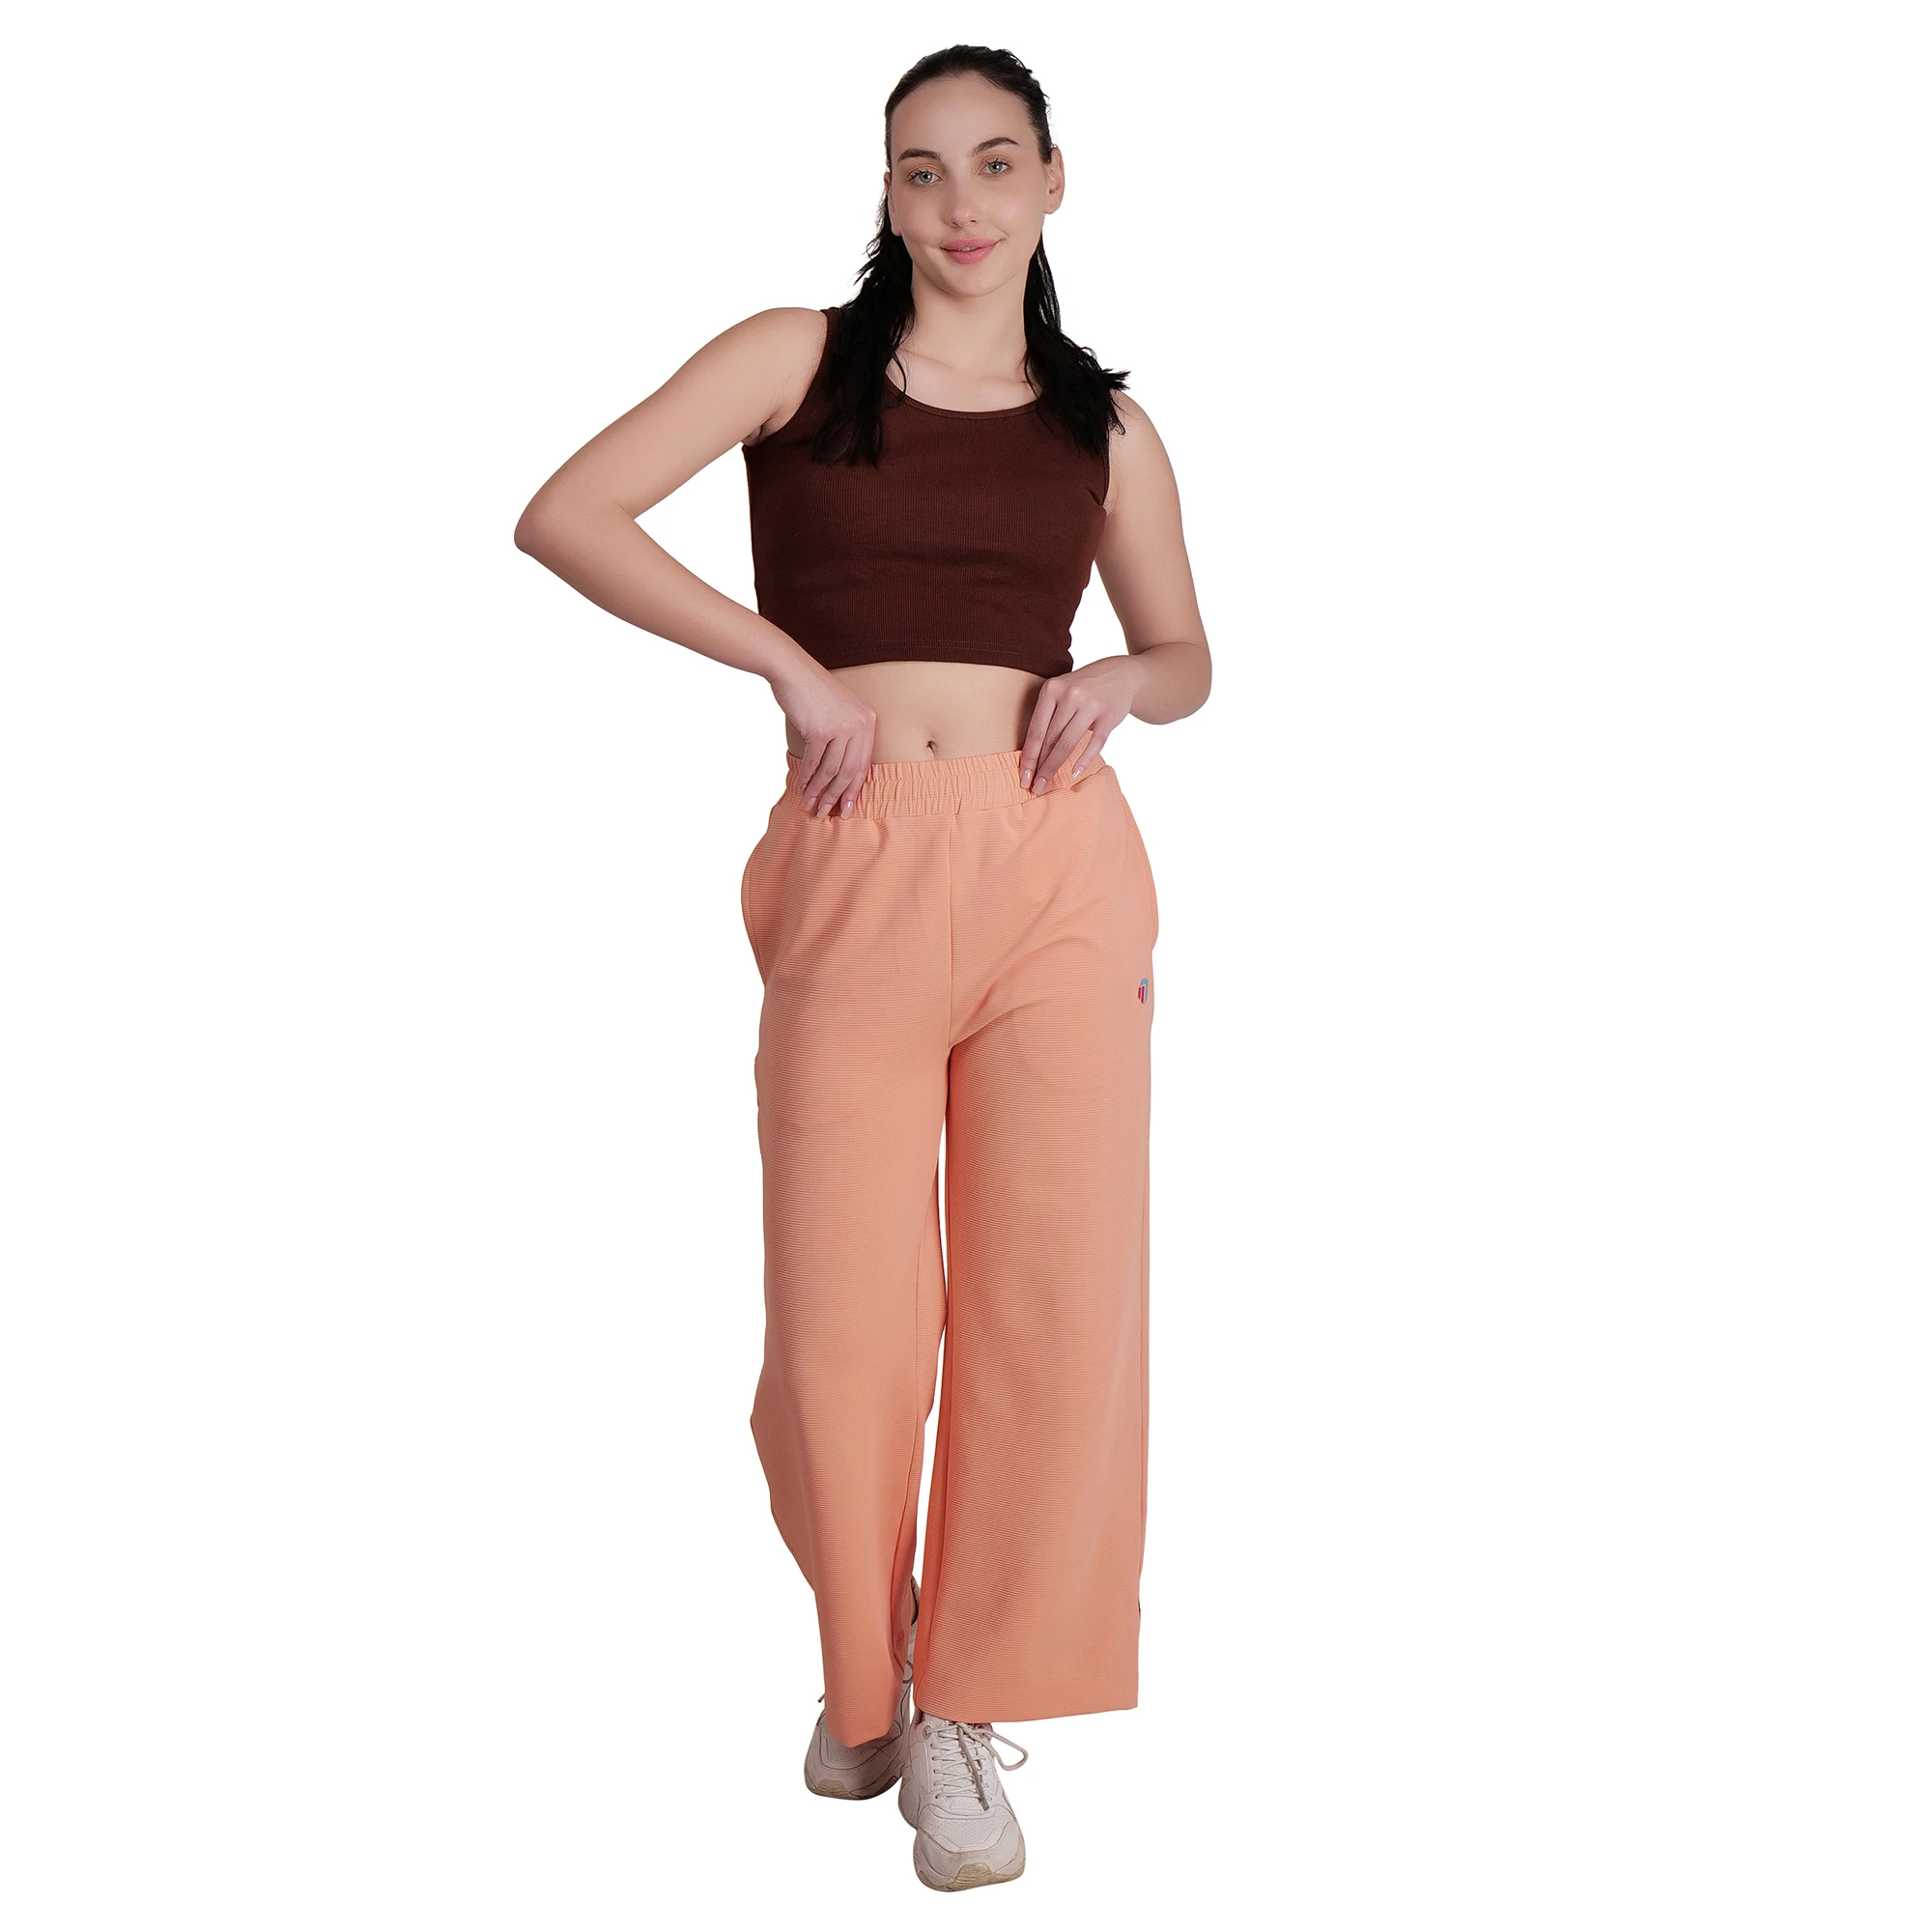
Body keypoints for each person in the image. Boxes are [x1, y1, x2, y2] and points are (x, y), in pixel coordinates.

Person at [513, 43, 1211, 1892]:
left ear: (1053, 181)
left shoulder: (1108, 428)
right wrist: (785, 665)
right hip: (856, 863)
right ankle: (865, 1680)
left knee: (1053, 1299)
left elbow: (1189, 653)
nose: (961, 204)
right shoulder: (797, 360)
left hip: (1060, 868)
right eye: (922, 169)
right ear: (887, 192)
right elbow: (568, 512)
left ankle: (966, 1709)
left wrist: (1122, 677)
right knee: (843, 1321)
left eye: (995, 163)